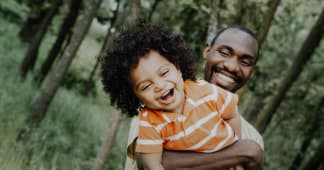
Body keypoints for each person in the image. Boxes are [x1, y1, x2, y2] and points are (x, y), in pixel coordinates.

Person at [101, 22, 251, 170]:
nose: (159, 85)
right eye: (146, 86)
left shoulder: (205, 91)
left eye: (164, 73)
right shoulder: (150, 122)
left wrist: (235, 150)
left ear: (178, 68)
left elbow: (232, 114)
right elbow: (151, 165)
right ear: (135, 96)